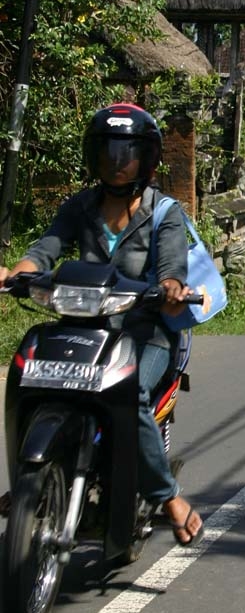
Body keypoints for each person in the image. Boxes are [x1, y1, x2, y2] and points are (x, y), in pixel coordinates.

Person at [0, 103, 203, 546]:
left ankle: (167, 496)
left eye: (126, 152)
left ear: (146, 159)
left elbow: (172, 266)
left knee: (134, 394)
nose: (116, 161)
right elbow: (45, 249)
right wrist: (17, 271)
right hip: (83, 327)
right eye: (108, 151)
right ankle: (28, 482)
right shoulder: (80, 206)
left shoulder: (164, 212)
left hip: (144, 333)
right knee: (31, 374)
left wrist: (170, 286)